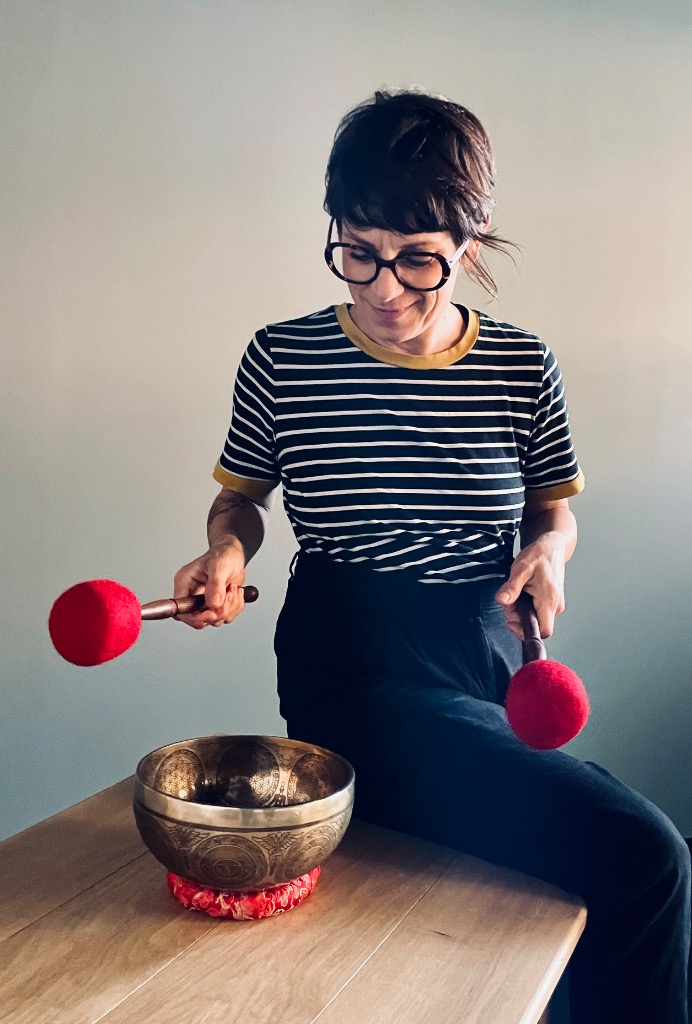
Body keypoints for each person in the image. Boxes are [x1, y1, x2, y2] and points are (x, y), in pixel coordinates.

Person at [173, 90, 690, 1023]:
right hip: (350, 662)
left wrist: (552, 555)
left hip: (482, 652)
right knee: (646, 854)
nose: (382, 287)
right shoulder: (282, 358)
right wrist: (220, 548)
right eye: (358, 251)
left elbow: (554, 515)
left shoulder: (522, 366)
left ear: (471, 245)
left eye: (418, 260)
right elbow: (240, 498)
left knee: (551, 889)